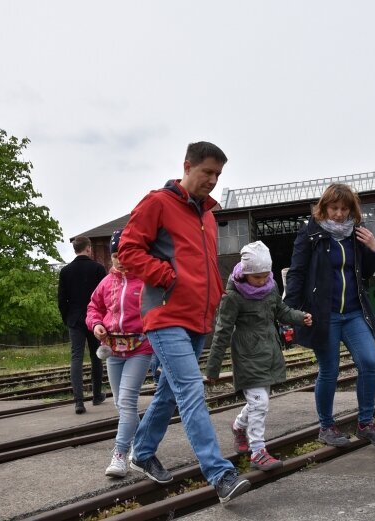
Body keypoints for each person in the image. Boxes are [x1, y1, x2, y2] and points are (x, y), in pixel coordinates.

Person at [117, 141, 250, 503]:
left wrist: (217, 292)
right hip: (165, 314)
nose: (213, 180)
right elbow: (127, 250)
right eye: (207, 172)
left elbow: (203, 267)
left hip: (197, 316)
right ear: (187, 166)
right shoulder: (157, 203)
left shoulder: (207, 216)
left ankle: (142, 452)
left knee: (168, 394)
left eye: (218, 174)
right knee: (191, 391)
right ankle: (220, 474)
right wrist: (164, 274)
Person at [284, 182, 375, 448]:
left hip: (354, 312)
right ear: (324, 207)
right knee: (329, 370)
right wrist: (291, 310)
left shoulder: (356, 234)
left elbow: (365, 273)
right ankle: (326, 427)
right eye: (334, 208)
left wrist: (374, 249)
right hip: (325, 314)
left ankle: (365, 423)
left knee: (369, 362)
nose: (339, 214)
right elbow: (297, 272)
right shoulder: (310, 233)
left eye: (345, 209)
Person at [206, 241, 312, 471]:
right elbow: (222, 330)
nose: (263, 281)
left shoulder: (270, 287)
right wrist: (213, 367)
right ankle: (258, 452)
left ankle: (238, 426)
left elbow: (281, 311)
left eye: (266, 276)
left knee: (258, 403)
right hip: (246, 355)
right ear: (245, 273)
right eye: (257, 277)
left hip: (269, 352)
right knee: (260, 403)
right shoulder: (233, 297)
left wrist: (300, 317)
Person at [86, 229, 154, 478]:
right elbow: (94, 307)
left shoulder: (145, 281)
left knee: (126, 401)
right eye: (115, 254)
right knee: (120, 403)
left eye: (124, 253)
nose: (119, 259)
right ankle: (139, 444)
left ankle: (120, 454)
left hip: (140, 349)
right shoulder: (105, 282)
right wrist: (96, 325)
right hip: (113, 350)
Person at [58, 235, 107, 414]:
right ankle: (96, 395)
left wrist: (68, 318)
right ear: (88, 248)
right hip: (95, 320)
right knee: (96, 356)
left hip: (75, 318)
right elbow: (104, 296)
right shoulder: (98, 269)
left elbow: (62, 300)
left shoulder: (65, 271)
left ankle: (79, 401)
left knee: (76, 357)